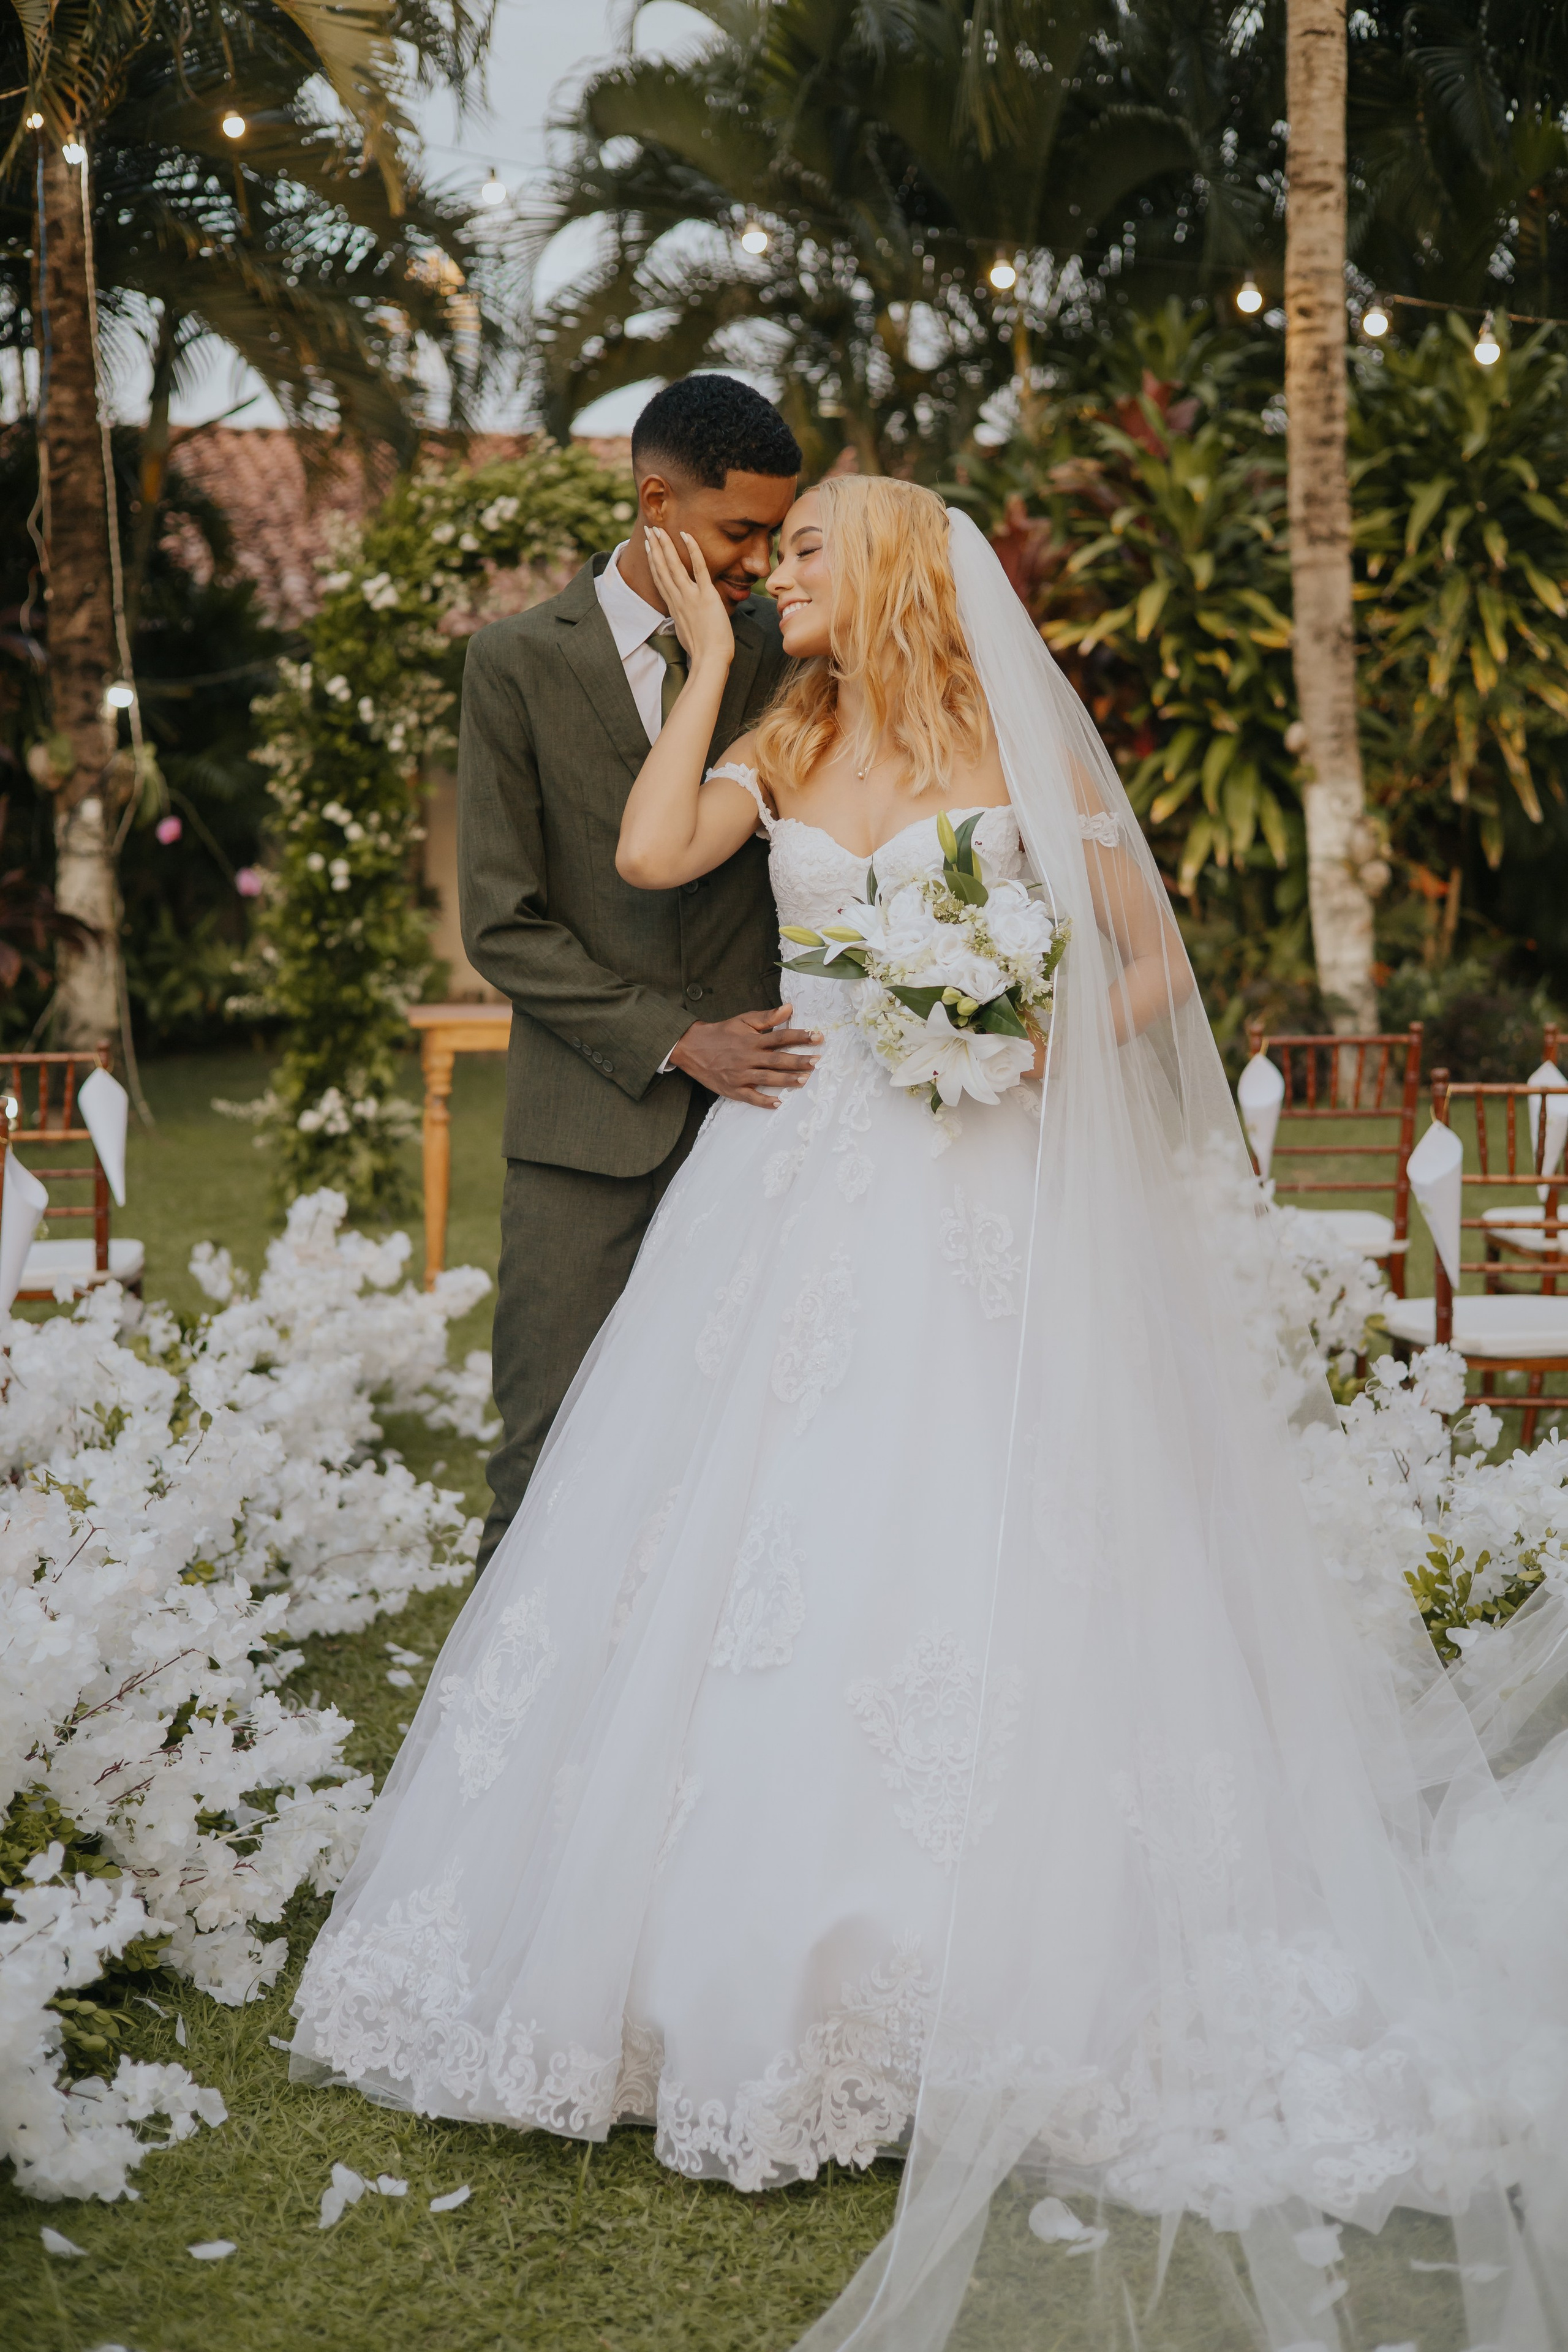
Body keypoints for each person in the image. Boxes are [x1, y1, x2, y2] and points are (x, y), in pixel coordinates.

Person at [295, 478, 1568, 2352]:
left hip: (979, 1177)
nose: (774, 573)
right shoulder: (779, 729)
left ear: (888, 564)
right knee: (750, 1529)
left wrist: (1035, 1042)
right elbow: (648, 853)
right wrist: (710, 665)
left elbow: (1148, 957)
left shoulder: (1007, 741)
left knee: (985, 1518)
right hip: (792, 1183)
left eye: (804, 551)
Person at [457, 374, 817, 1569]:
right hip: (583, 1130)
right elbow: (501, 924)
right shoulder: (514, 663)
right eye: (740, 531)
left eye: (776, 534)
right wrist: (674, 1038)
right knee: (543, 1450)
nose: (760, 563)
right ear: (657, 502)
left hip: (769, 1118)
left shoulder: (787, 655)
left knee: (744, 1453)